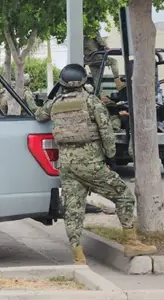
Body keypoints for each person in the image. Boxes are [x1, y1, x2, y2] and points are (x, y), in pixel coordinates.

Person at [35, 63, 156, 264]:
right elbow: (106, 133)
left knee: (73, 209)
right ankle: (131, 243)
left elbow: (39, 114)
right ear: (84, 81)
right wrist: (111, 157)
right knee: (124, 196)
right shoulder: (92, 102)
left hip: (66, 164)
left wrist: (49, 95)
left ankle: (78, 256)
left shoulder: (54, 104)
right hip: (91, 162)